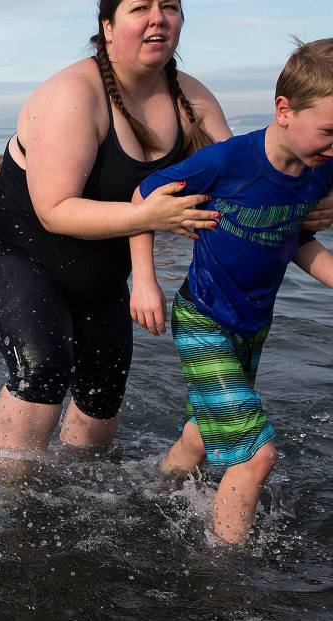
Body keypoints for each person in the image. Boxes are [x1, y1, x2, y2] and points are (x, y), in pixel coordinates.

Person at [0, 0, 238, 476]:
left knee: (104, 387)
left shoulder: (191, 98)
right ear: (107, 27)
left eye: (169, 6)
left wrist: (306, 203)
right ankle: (5, 503)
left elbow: (238, 178)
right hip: (13, 243)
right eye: (139, 8)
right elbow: (55, 210)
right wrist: (148, 214)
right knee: (44, 365)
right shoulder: (73, 93)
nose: (157, 18)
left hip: (99, 261)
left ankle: (85, 495)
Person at [129, 38, 333, 544]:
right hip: (204, 319)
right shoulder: (227, 162)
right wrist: (146, 281)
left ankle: (147, 501)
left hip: (252, 323)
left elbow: (296, 242)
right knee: (255, 453)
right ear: (283, 109)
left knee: (202, 432)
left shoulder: (319, 169)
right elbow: (142, 197)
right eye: (329, 131)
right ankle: (225, 574)